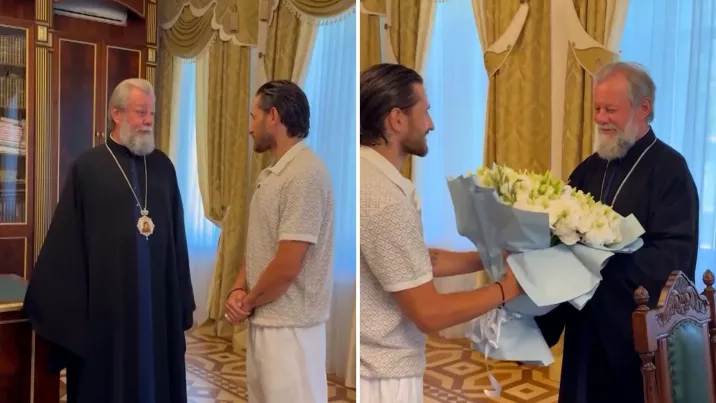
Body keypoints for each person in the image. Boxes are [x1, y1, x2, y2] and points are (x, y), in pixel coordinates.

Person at [534, 62, 700, 403]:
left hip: (632, 337)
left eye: (610, 109)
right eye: (597, 109)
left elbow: (673, 258)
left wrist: (601, 264)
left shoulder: (671, 170)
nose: (600, 118)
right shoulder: (589, 169)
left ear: (644, 107)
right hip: (586, 330)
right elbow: (559, 237)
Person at [23, 78, 195, 403]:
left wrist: (181, 298)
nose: (148, 120)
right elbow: (67, 243)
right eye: (140, 112)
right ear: (116, 114)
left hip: (156, 305)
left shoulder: (163, 167)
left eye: (152, 114)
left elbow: (177, 241)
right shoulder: (88, 168)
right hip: (107, 310)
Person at [359, 63, 523, 403]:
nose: (431, 124)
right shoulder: (385, 198)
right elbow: (428, 313)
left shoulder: (369, 177)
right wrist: (510, 288)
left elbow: (416, 261)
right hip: (383, 379)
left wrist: (489, 257)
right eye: (426, 112)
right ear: (397, 119)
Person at [224, 80, 334, 403]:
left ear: (273, 116)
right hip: (266, 320)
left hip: (292, 330)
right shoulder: (273, 175)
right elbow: (260, 245)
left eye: (253, 116)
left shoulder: (305, 174)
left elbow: (287, 264)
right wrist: (237, 289)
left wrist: (247, 302)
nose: (249, 128)